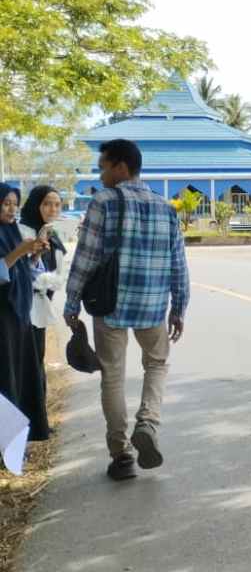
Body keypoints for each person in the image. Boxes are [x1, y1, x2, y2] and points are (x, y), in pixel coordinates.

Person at [63, 139, 189, 482]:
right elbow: (178, 264)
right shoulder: (167, 208)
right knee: (157, 363)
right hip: (152, 306)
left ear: (121, 167)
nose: (100, 174)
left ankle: (121, 456)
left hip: (110, 305)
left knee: (113, 376)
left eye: (103, 166)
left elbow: (85, 258)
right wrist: (178, 307)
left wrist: (72, 302)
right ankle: (148, 422)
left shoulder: (103, 202)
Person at [0, 184, 52, 452]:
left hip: (19, 315)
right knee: (5, 380)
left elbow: (25, 273)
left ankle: (17, 442)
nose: (11, 209)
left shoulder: (12, 232)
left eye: (14, 203)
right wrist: (20, 251)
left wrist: (34, 255)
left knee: (20, 377)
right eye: (5, 203)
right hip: (3, 319)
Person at [19, 186, 68, 423]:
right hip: (19, 309)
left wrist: (45, 280)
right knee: (23, 367)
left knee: (37, 364)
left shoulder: (52, 235)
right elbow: (23, 275)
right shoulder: (22, 232)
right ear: (36, 204)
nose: (53, 209)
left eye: (57, 204)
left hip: (39, 310)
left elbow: (59, 278)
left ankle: (38, 423)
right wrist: (43, 277)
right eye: (47, 203)